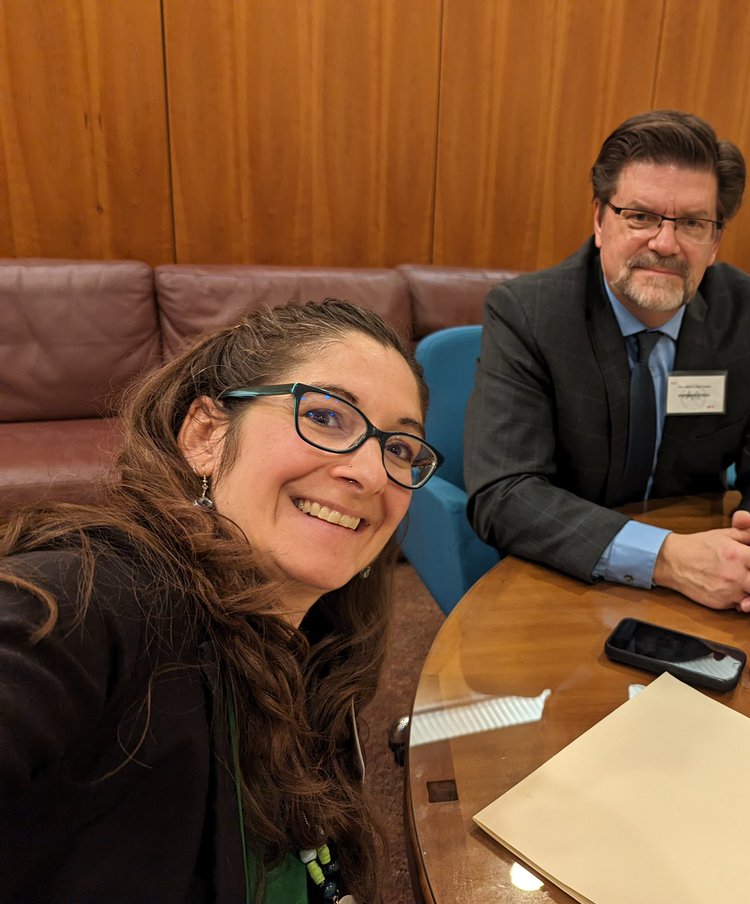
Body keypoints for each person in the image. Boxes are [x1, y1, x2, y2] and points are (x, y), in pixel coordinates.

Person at [0, 300, 442, 902]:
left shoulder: (320, 645)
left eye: (399, 449)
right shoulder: (95, 599)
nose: (371, 473)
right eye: (325, 416)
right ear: (206, 435)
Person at [464, 110, 750, 613]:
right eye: (641, 216)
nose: (665, 244)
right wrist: (669, 559)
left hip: (711, 583)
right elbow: (505, 493)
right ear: (599, 220)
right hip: (564, 577)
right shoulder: (530, 313)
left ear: (715, 242)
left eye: (693, 223)